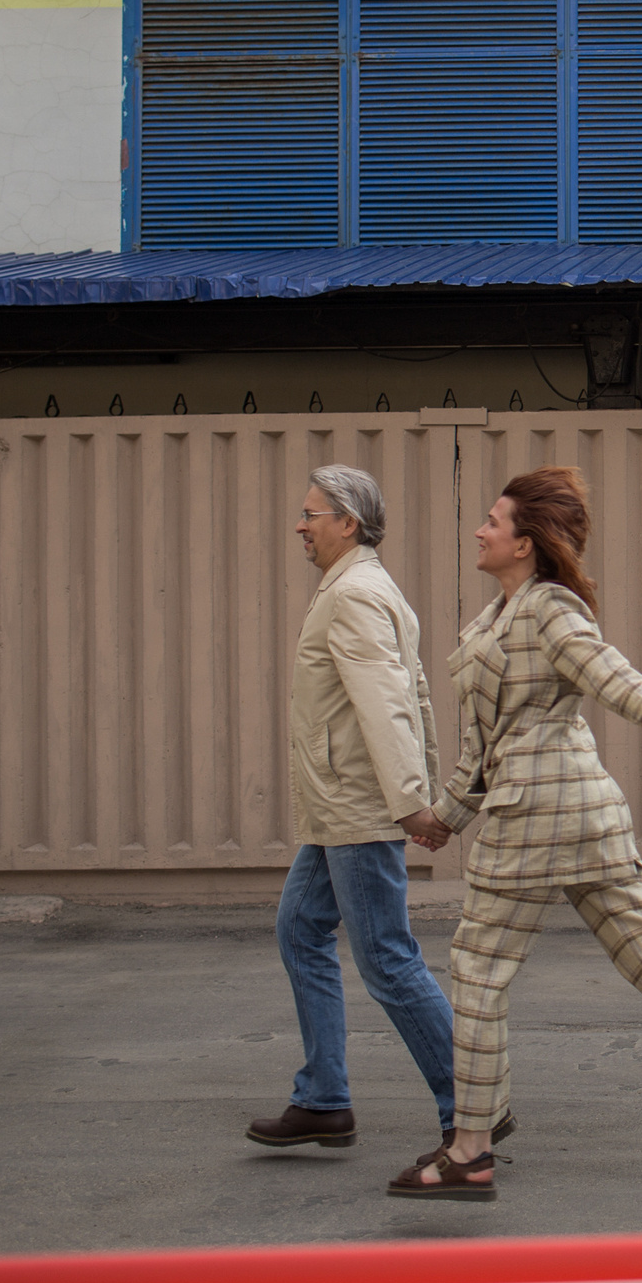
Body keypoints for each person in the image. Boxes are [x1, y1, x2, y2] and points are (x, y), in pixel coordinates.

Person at [388, 465, 642, 1203]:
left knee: (478, 971)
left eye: (492, 520)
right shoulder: (496, 618)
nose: (479, 530)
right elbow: (484, 744)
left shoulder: (549, 610)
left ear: (524, 543)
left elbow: (617, 678)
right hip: (585, 815)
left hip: (534, 818)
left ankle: (471, 1147)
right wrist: (444, 818)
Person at [248, 466, 492, 1156]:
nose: (301, 524)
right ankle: (323, 1098)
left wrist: (412, 801)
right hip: (340, 805)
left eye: (312, 513)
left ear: (347, 522)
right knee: (300, 928)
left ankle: (471, 1107)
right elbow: (413, 697)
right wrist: (416, 791)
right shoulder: (362, 587)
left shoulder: (353, 594)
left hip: (356, 804)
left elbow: (388, 705)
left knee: (387, 959)